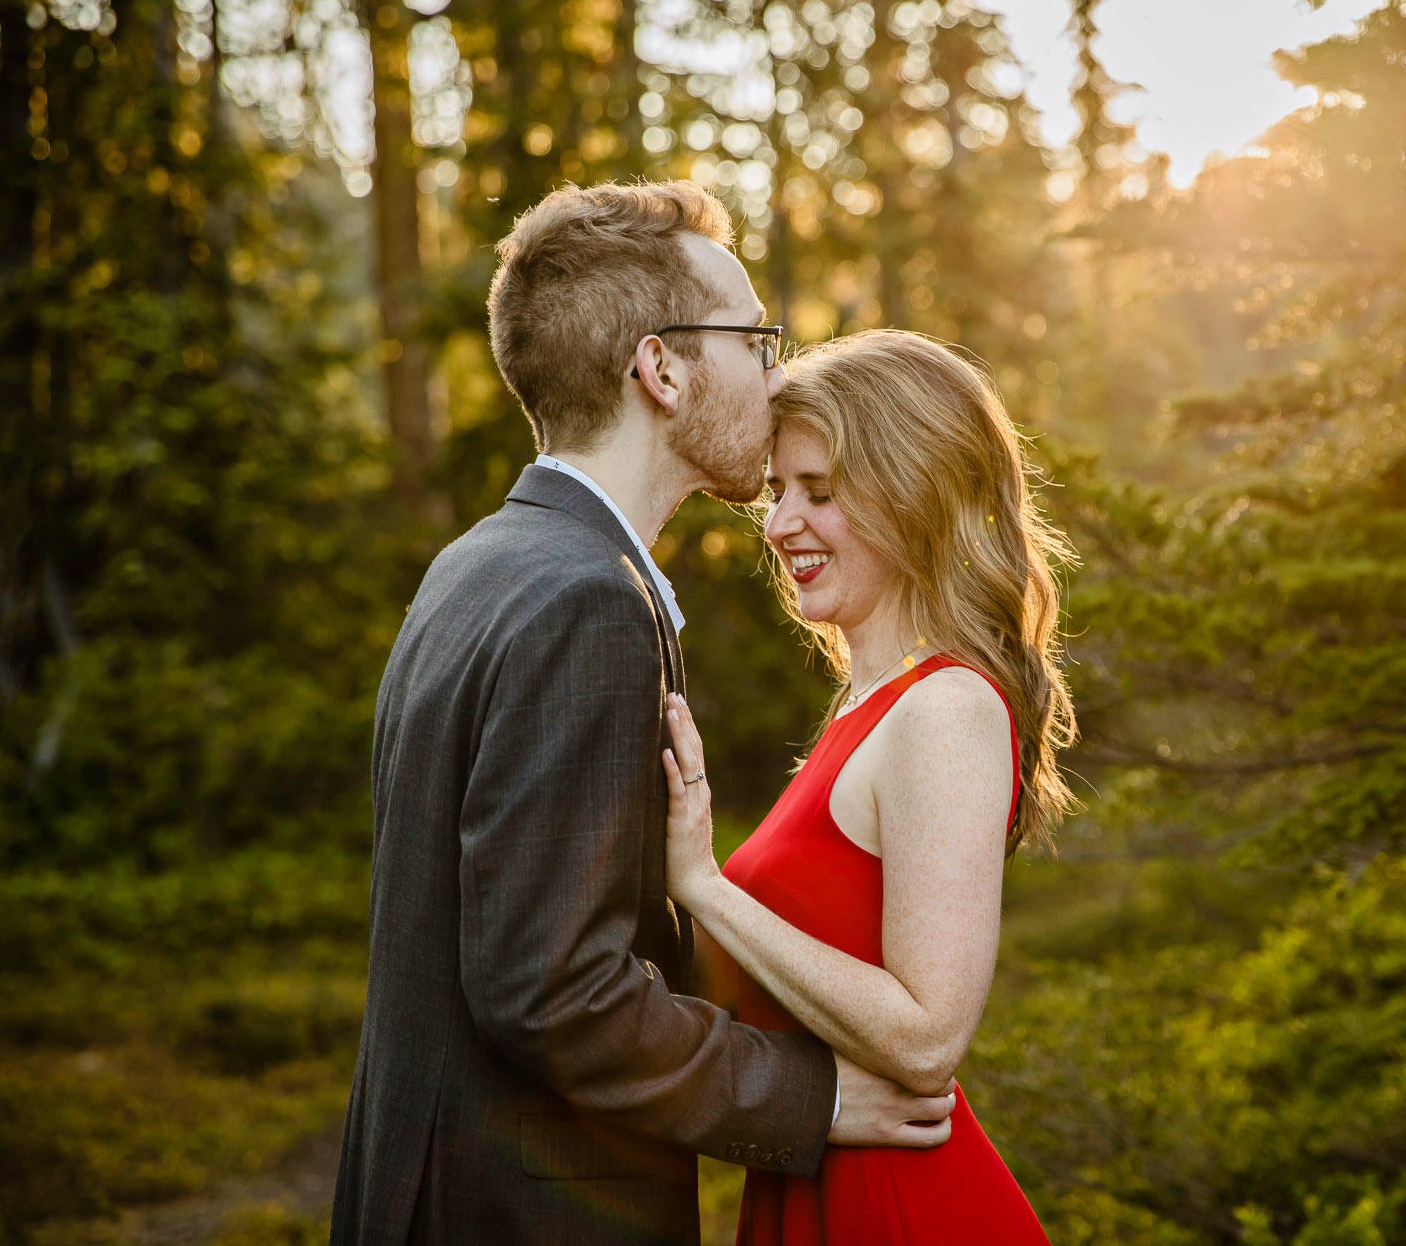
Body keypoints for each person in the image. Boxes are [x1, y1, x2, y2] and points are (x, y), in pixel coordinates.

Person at [329, 183, 956, 1246]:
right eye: (754, 338)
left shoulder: (480, 560)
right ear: (660, 368)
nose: (777, 369)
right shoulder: (585, 601)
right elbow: (551, 990)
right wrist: (816, 1097)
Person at [656, 330, 1076, 1245]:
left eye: (820, 491)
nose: (776, 525)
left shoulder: (947, 708)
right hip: (817, 1179)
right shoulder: (867, 707)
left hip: (898, 1208)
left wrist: (707, 887)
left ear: (912, 494)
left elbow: (928, 1037)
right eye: (778, 492)